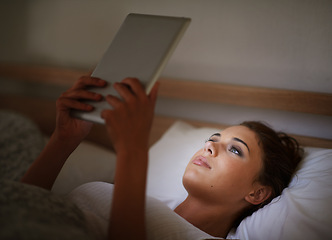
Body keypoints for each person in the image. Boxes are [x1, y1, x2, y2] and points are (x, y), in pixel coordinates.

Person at [21, 76, 303, 239]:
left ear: (258, 193)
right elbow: (27, 205)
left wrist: (133, 150)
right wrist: (63, 140)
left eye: (235, 149)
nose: (209, 147)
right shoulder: (144, 206)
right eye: (212, 139)